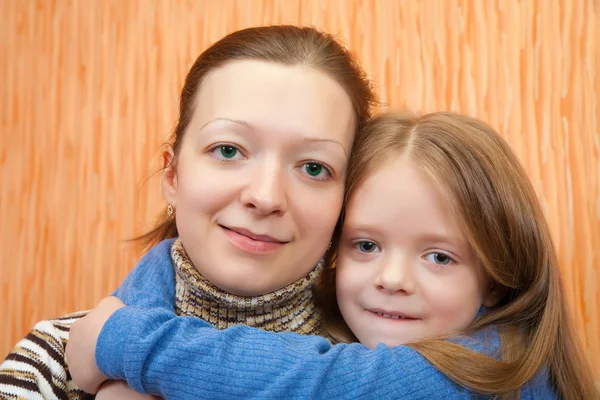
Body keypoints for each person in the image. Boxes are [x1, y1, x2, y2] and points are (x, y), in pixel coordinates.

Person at [69, 112, 598, 399]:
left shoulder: (498, 369)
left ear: (498, 278)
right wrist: (161, 271)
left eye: (439, 257)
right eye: (366, 245)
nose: (392, 278)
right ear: (333, 252)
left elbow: (324, 383)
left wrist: (124, 342)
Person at [0, 24, 375, 399]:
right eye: (228, 150)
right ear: (173, 175)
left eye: (313, 167)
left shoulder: (383, 370)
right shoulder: (57, 359)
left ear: (346, 203)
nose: (265, 196)